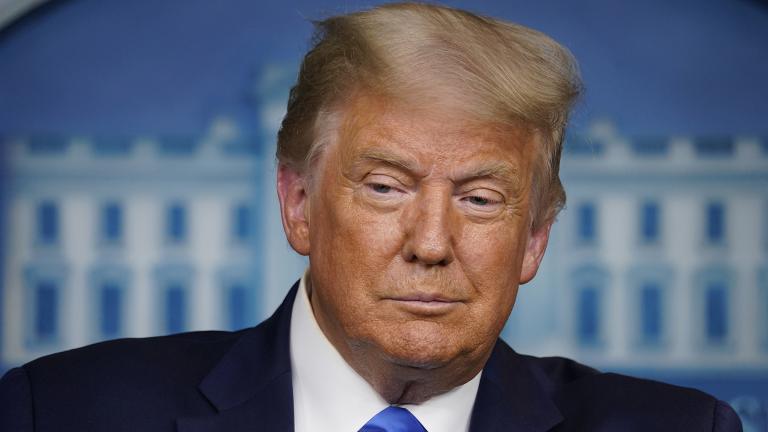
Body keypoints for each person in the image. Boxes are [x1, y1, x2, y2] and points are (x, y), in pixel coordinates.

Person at [0, 3, 742, 431]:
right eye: (386, 187)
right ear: (298, 207)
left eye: (481, 198)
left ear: (535, 240)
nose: (430, 243)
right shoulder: (62, 411)